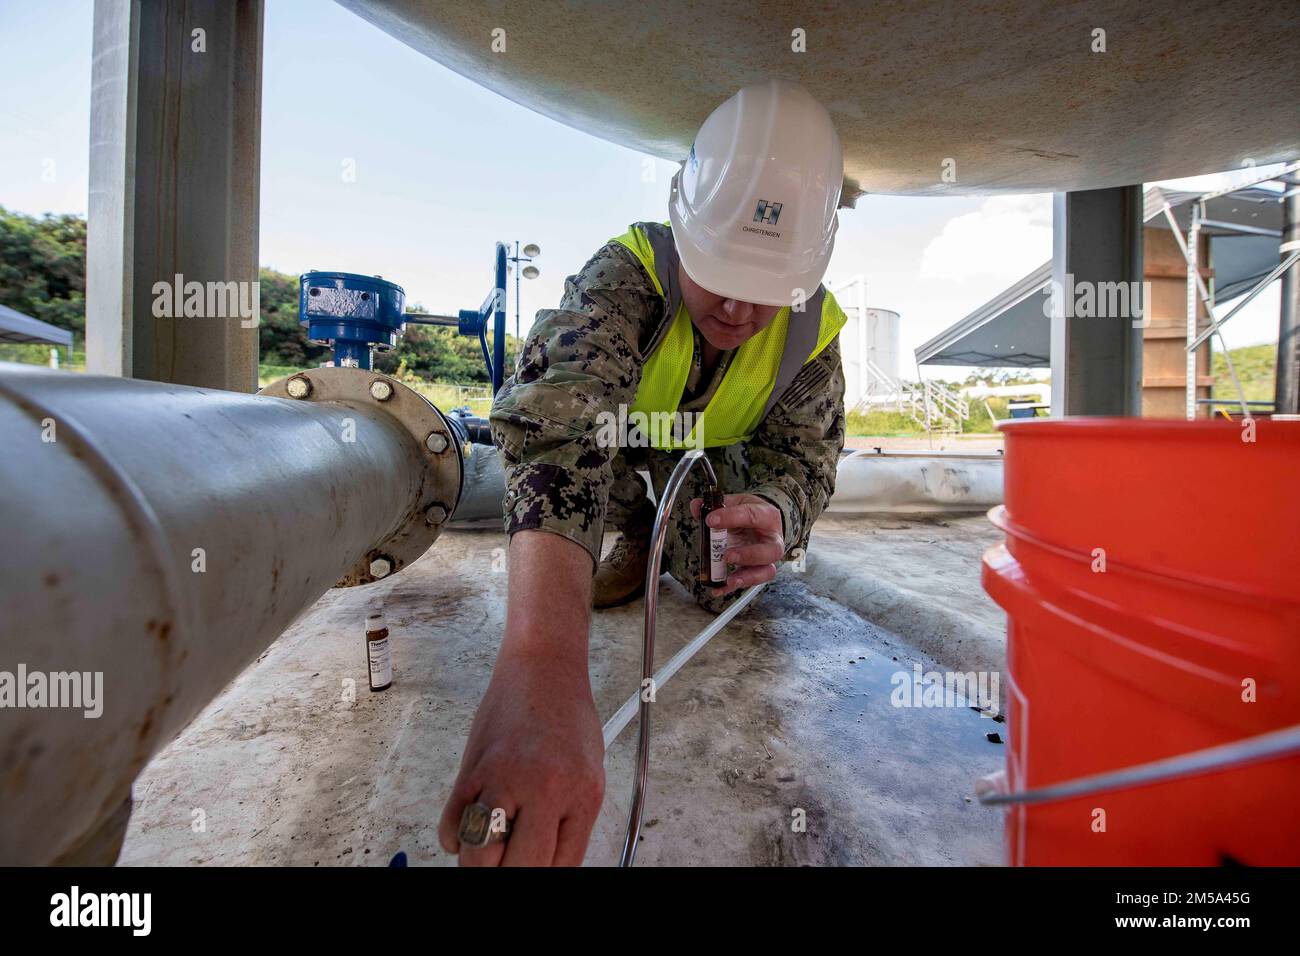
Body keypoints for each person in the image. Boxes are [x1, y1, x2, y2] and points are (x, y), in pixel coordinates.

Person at [438, 79, 848, 866]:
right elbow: (557, 433)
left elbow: (806, 456)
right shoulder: (628, 273)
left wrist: (774, 510)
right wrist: (542, 668)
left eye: (767, 291)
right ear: (682, 229)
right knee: (583, 508)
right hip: (613, 460)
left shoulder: (815, 330)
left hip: (708, 472)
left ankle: (672, 548)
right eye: (717, 270)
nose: (737, 310)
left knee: (718, 572)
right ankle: (625, 534)